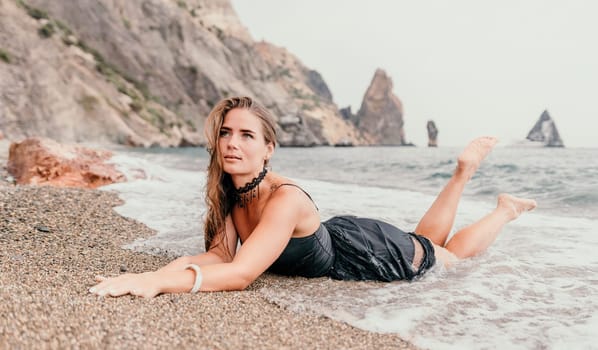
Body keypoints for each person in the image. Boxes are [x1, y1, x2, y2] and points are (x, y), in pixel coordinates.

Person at [89, 96, 537, 298]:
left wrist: (159, 283)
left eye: (247, 135)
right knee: (426, 241)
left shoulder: (284, 199)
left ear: (268, 149)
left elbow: (242, 274)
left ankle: (502, 209)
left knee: (448, 256)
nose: (232, 142)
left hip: (366, 253)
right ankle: (461, 176)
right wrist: (154, 274)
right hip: (345, 237)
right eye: (226, 132)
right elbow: (220, 256)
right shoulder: (231, 190)